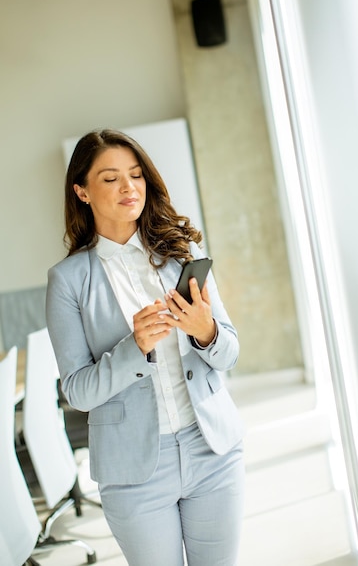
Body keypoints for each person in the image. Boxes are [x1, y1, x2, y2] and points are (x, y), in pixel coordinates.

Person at [46, 128, 245, 566]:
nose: (128, 187)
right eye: (110, 178)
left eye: (135, 175)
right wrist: (135, 348)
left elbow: (228, 353)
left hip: (211, 449)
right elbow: (77, 392)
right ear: (81, 191)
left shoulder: (181, 252)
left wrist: (205, 330)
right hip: (134, 472)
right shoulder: (68, 281)